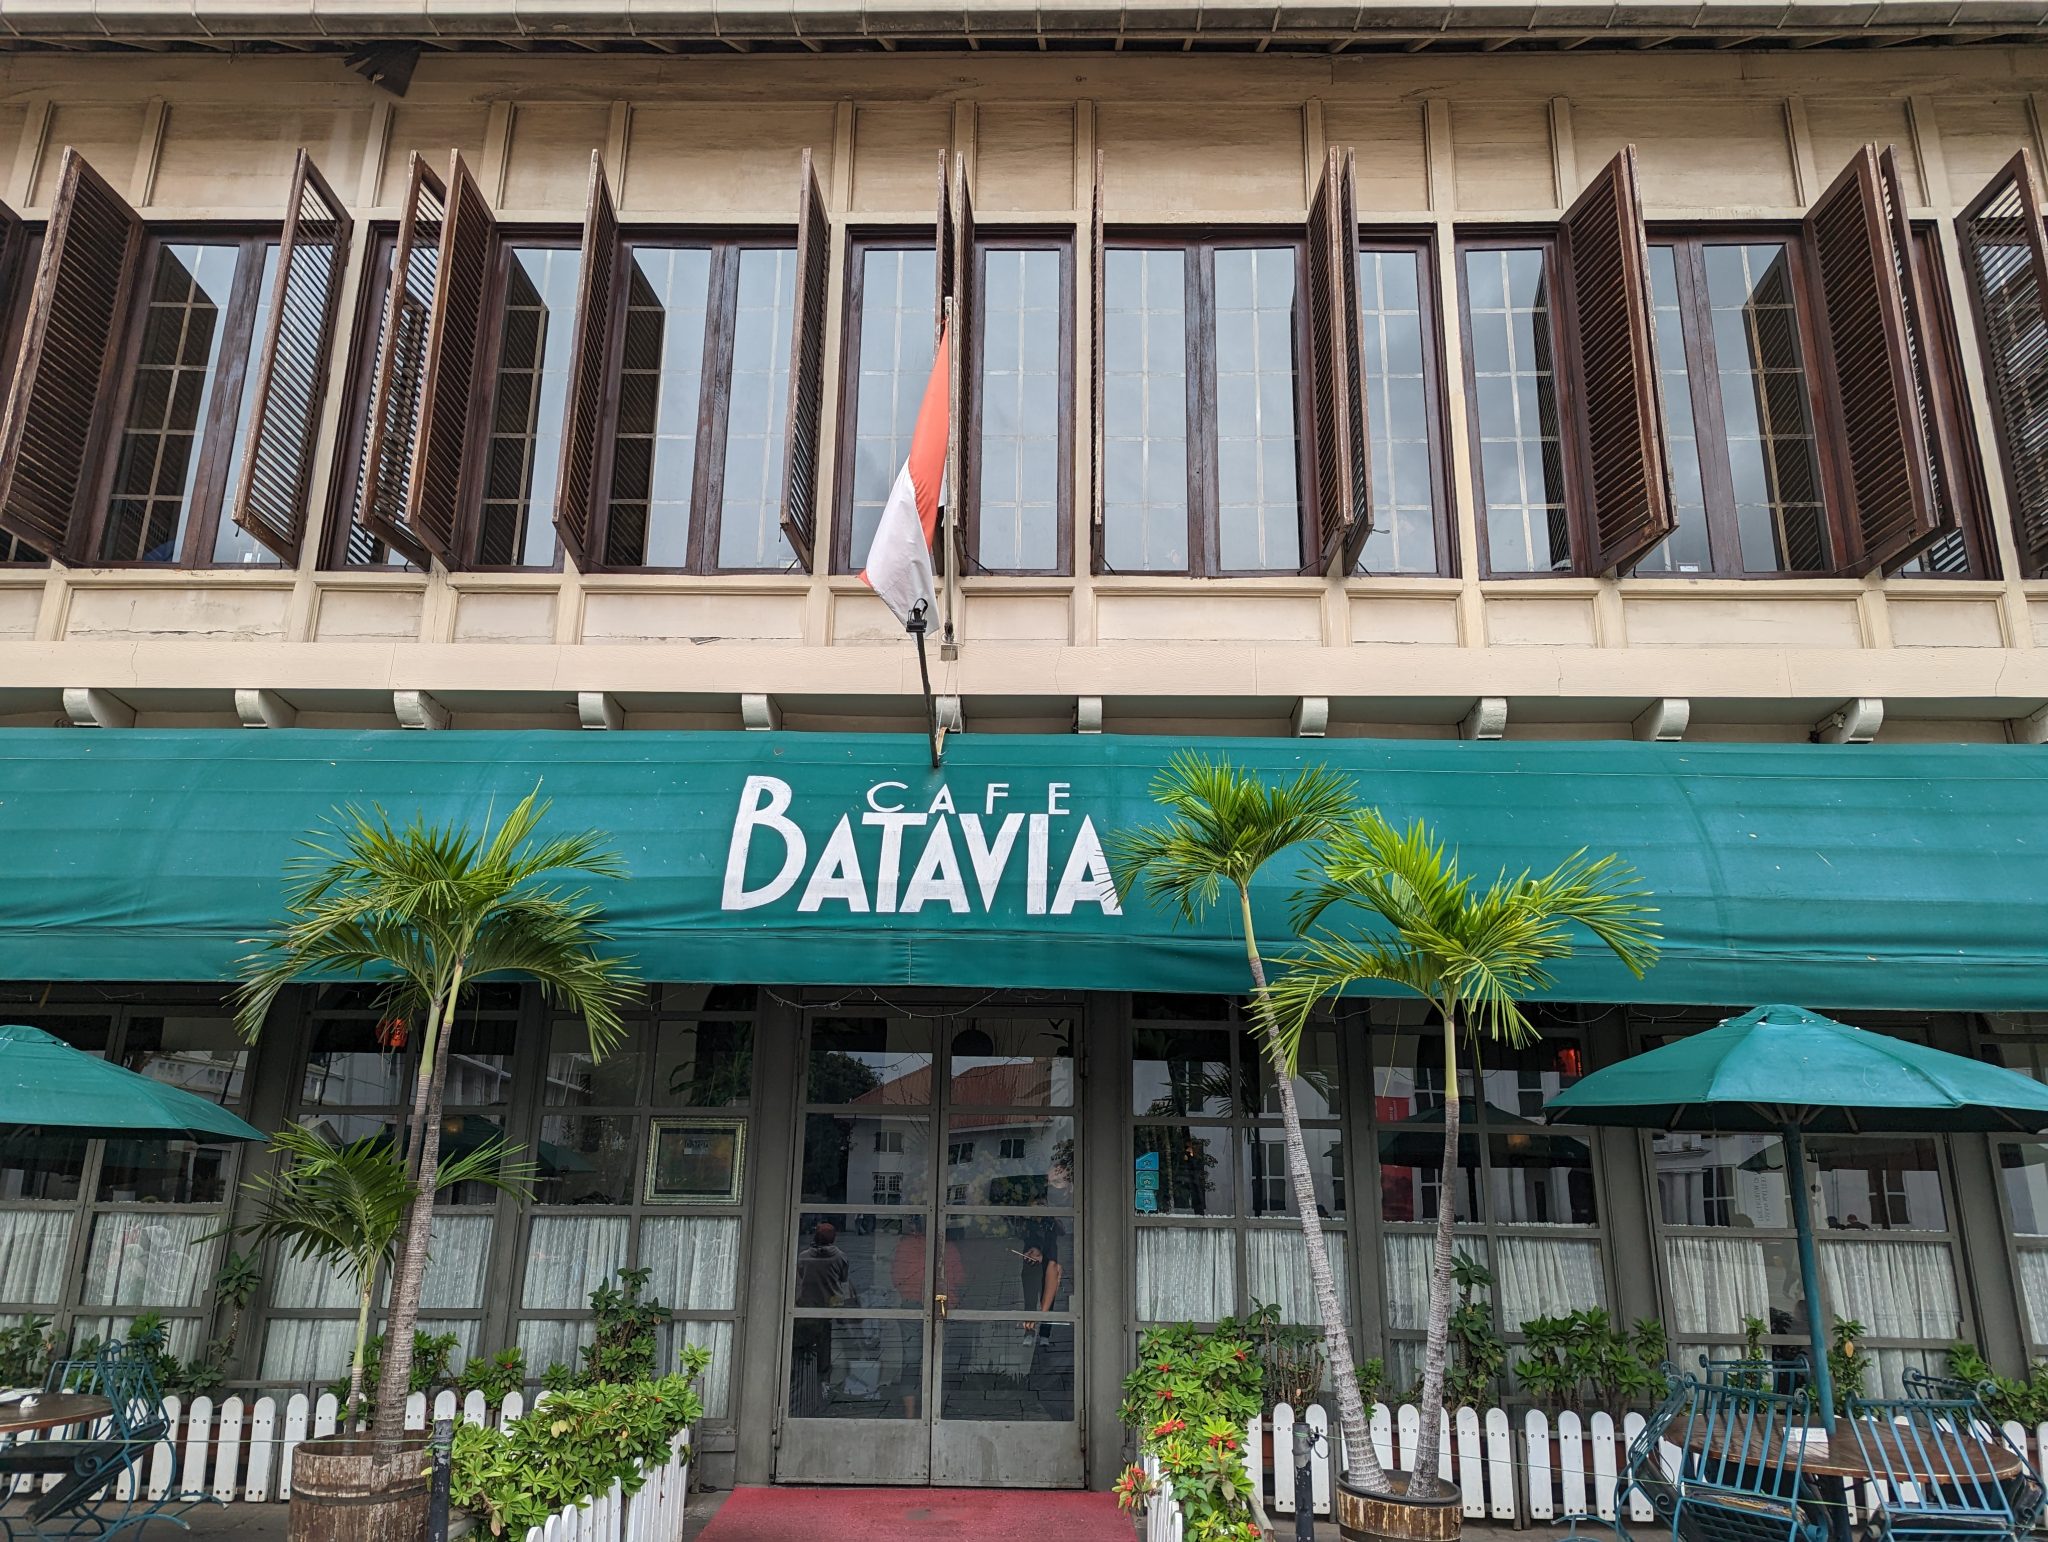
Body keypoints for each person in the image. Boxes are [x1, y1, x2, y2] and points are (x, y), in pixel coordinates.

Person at [793, 1220, 851, 1400]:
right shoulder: (840, 1256)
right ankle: (823, 1379)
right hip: (829, 1304)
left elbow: (800, 1276)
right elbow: (844, 1278)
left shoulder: (803, 1256)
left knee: (802, 1341)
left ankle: (799, 1376)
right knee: (825, 1342)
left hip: (806, 1303)